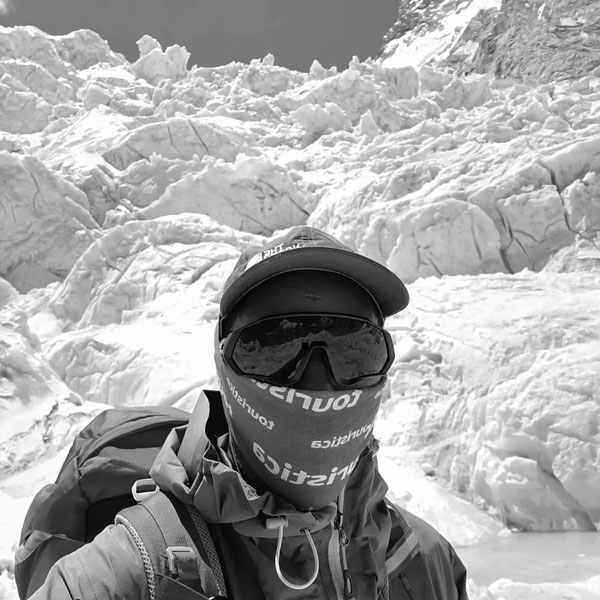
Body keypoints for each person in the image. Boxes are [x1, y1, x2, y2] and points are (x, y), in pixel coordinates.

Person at [29, 226, 468, 599]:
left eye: (355, 348)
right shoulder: (126, 573)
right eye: (272, 346)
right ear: (223, 363)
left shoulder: (427, 561)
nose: (318, 384)